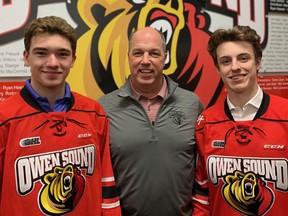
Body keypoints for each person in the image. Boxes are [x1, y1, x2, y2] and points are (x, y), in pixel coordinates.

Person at [0, 16, 121, 216]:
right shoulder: (5, 118)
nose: (53, 63)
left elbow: (106, 182)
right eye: (41, 53)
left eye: (62, 54)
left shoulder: (94, 113)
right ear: (26, 56)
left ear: (73, 59)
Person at [98, 27, 203, 216]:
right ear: (129, 56)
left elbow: (203, 170)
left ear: (165, 57)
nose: (145, 61)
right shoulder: (103, 108)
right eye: (138, 53)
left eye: (154, 53)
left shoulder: (192, 104)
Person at [192, 25, 288, 215]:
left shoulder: (285, 115)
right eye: (226, 61)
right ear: (218, 69)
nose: (235, 67)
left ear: (258, 62)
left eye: (243, 58)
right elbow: (201, 195)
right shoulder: (206, 122)